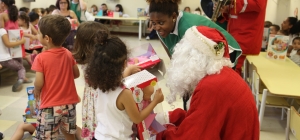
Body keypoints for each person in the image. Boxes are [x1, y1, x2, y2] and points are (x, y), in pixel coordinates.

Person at [155, 26, 259, 140]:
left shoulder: (211, 87)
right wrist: (170, 117)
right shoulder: (222, 74)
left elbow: (194, 136)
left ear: (192, 56)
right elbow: (202, 117)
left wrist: (160, 132)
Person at [147, 0, 241, 110]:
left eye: (161, 23)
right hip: (202, 52)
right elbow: (174, 57)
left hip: (222, 51)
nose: (157, 27)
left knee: (207, 94)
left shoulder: (188, 28)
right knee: (188, 89)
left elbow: (196, 67)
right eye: (153, 23)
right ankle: (190, 117)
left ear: (173, 16)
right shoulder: (160, 29)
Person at [73, 21, 143, 140]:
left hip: (98, 102)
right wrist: (128, 70)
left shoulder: (93, 62)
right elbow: (115, 81)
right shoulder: (94, 65)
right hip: (103, 105)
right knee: (104, 125)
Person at [85, 35, 164, 140]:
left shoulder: (100, 84)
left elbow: (117, 84)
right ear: (124, 63)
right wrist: (155, 101)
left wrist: (129, 70)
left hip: (100, 136)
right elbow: (137, 118)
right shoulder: (124, 93)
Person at [31, 15, 80, 140]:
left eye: (39, 33)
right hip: (69, 104)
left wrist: (36, 88)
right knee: (69, 134)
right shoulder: (68, 54)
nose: (37, 35)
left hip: (50, 106)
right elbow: (76, 74)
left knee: (46, 137)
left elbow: (39, 82)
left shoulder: (41, 58)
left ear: (47, 38)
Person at [221, 0, 267, 75]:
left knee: (235, 69)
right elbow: (237, 13)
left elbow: (258, 5)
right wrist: (227, 9)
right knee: (231, 67)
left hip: (245, 34)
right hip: (235, 32)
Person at [0, 22, 30, 92]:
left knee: (18, 57)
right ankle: (21, 79)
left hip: (4, 58)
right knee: (21, 68)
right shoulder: (2, 31)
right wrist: (21, 41)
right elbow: (8, 44)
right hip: (5, 58)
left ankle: (22, 77)